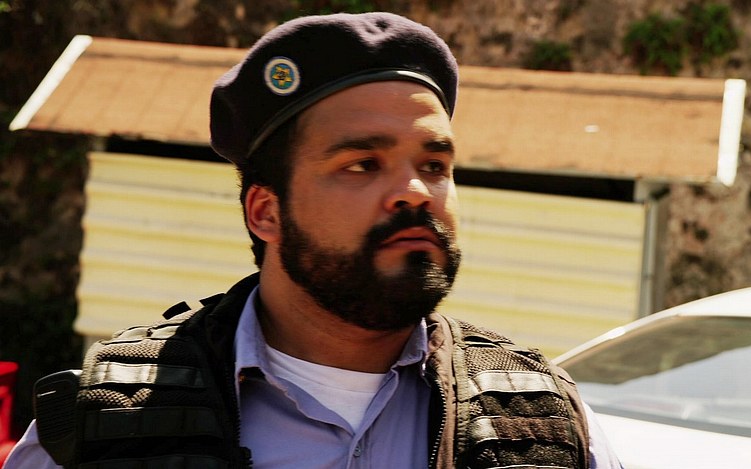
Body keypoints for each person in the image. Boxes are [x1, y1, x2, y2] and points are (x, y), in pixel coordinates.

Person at [5, 12, 622, 469]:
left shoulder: (546, 423)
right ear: (266, 212)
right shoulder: (108, 423)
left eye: (434, 165)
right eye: (362, 164)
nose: (415, 192)